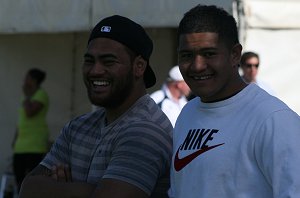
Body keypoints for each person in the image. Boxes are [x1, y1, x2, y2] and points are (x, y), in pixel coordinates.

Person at [19, 15, 173, 198]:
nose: (95, 70)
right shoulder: (77, 127)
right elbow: (27, 189)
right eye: (89, 61)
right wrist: (91, 190)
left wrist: (57, 189)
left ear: (139, 66)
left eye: (108, 61)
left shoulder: (146, 130)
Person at [169, 4, 300, 198]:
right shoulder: (187, 113)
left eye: (209, 54)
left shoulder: (274, 120)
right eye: (187, 55)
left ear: (235, 55)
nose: (197, 66)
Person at [12, 68, 49, 192]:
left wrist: (27, 96)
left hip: (35, 145)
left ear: (34, 80)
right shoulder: (26, 97)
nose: (24, 81)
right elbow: (21, 119)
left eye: (27, 78)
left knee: (31, 182)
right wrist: (15, 139)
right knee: (19, 179)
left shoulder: (41, 95)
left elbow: (29, 112)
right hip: (21, 145)